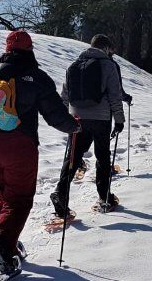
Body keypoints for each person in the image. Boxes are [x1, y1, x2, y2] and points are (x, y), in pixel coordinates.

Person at [0, 30, 80, 274]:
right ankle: (3, 244)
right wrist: (74, 126)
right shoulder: (36, 77)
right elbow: (55, 116)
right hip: (19, 147)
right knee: (19, 198)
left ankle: (5, 241)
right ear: (30, 50)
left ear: (7, 49)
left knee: (0, 195)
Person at [52, 34, 128, 216]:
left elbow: (65, 95)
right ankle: (104, 196)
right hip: (101, 118)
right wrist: (119, 120)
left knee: (73, 157)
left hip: (77, 118)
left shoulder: (74, 65)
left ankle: (60, 193)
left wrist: (65, 118)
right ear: (105, 48)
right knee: (102, 157)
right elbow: (115, 95)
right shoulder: (108, 65)